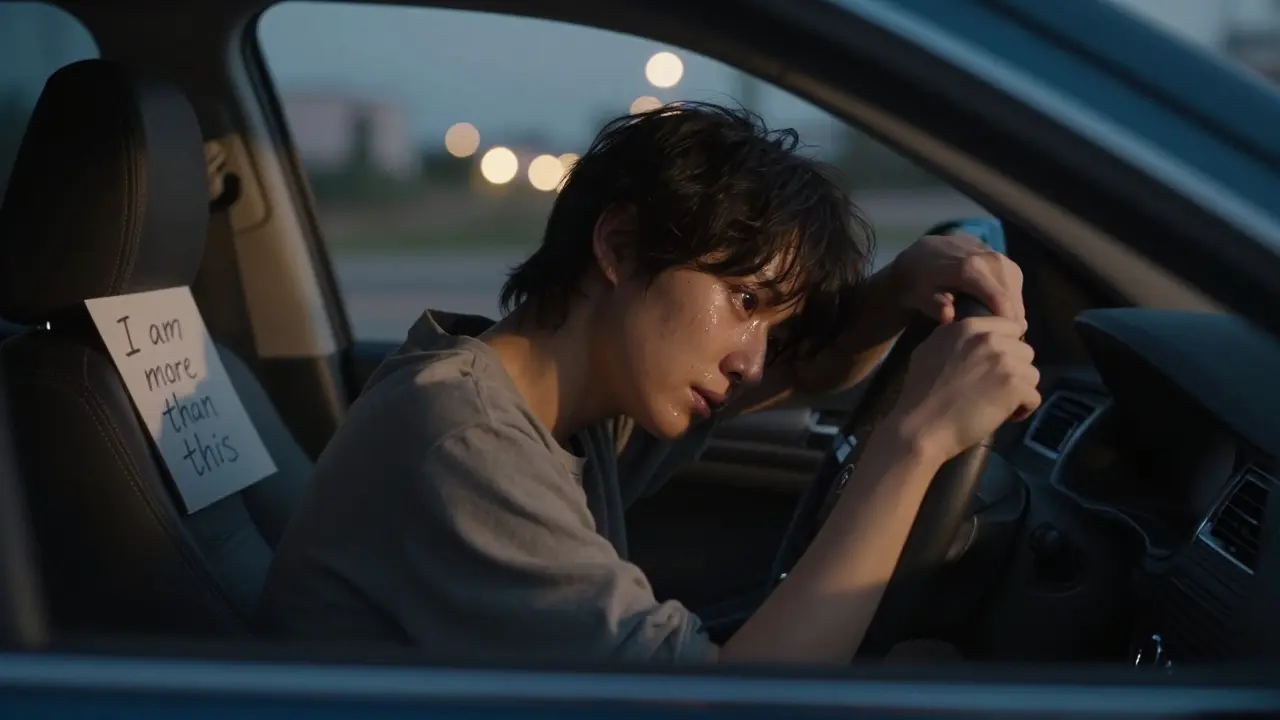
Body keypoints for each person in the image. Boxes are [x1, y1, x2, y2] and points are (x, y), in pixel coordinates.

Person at [257, 102, 1040, 665]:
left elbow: (812, 365)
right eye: (744, 302)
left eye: (769, 322)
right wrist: (916, 442)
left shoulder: (569, 404)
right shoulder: (462, 440)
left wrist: (896, 289)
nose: (754, 359)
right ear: (621, 246)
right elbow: (730, 707)